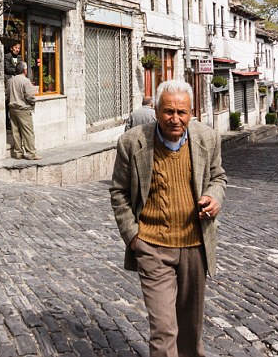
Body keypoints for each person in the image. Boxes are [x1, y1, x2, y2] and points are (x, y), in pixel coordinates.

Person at [110, 79, 228, 357]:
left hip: (194, 245)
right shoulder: (132, 142)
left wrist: (214, 197)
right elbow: (118, 192)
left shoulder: (208, 139)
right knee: (163, 330)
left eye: (182, 112)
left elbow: (218, 177)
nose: (175, 119)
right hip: (151, 246)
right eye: (169, 112)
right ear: (157, 111)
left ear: (191, 112)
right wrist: (134, 237)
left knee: (190, 328)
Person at [6, 60, 39, 160]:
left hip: (12, 109)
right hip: (23, 109)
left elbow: (7, 94)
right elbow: (30, 96)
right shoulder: (25, 81)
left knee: (16, 132)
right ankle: (31, 153)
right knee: (28, 132)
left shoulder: (10, 81)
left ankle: (18, 153)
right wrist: (32, 103)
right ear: (25, 70)